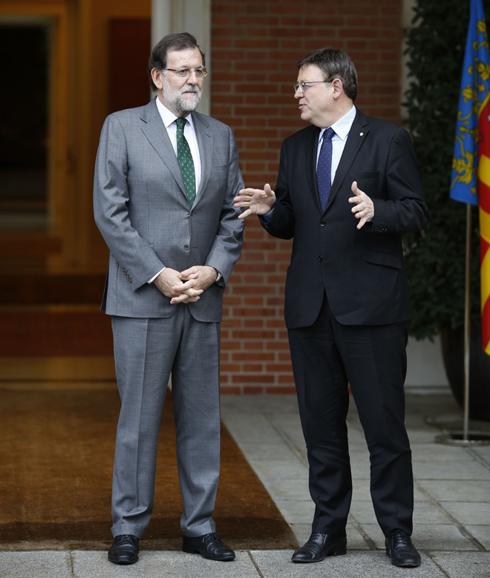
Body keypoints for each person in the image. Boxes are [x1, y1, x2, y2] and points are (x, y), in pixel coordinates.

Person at [234, 48, 428, 569]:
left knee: (384, 427)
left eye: (305, 84)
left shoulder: (387, 140)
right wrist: (270, 210)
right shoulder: (295, 147)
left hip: (372, 310)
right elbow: (297, 222)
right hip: (310, 310)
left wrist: (378, 209)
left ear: (336, 86)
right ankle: (328, 529)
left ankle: (397, 532)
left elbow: (416, 211)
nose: (297, 93)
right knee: (320, 428)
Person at [93, 32, 243, 566]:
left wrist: (213, 269)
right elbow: (110, 212)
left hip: (200, 298)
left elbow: (233, 215)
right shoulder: (121, 128)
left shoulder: (220, 135)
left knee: (202, 417)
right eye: (181, 71)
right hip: (142, 298)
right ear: (157, 76)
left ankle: (199, 526)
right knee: (138, 418)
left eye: (198, 71)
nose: (192, 80)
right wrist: (158, 274)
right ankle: (128, 527)